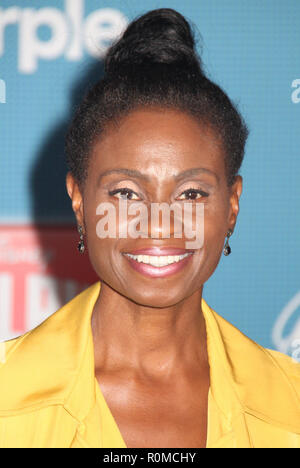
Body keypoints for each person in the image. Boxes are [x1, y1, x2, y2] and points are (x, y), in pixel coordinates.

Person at [0, 8, 299, 449]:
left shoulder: (290, 403)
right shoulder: (9, 398)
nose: (160, 223)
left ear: (232, 205)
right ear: (79, 200)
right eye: (126, 193)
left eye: (192, 194)